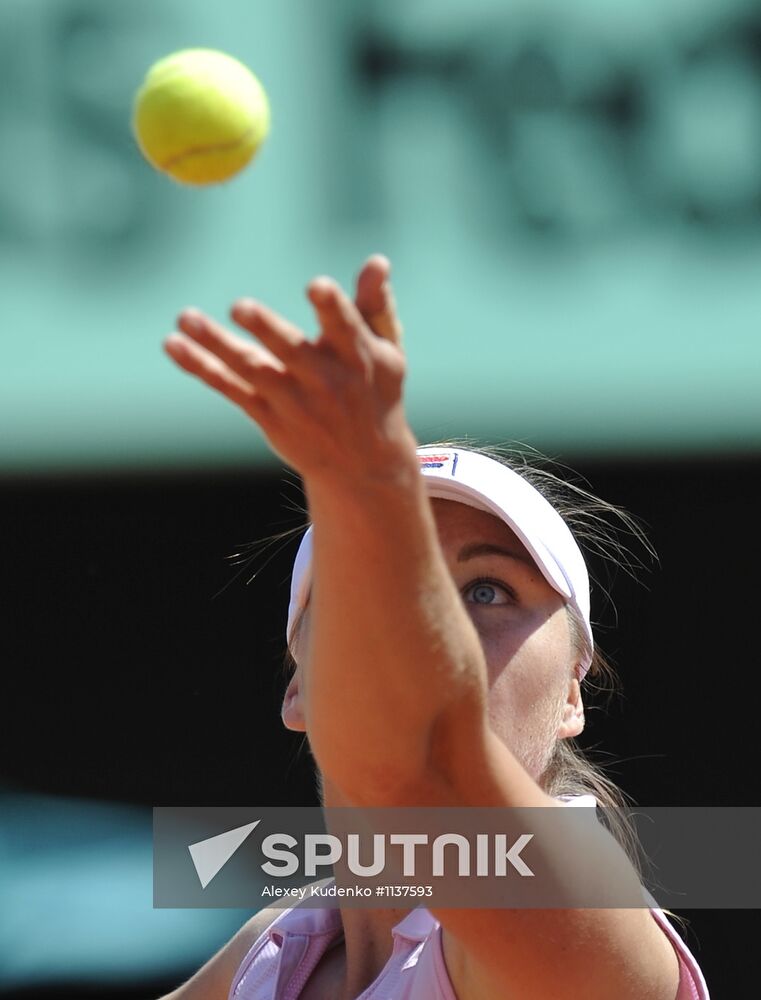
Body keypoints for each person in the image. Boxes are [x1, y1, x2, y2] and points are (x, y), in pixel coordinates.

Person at [161, 255, 710, 999]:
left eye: (488, 589)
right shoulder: (277, 949)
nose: (434, 622)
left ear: (572, 697)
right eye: (369, 594)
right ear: (299, 691)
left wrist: (365, 484)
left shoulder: (583, 915)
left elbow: (419, 760)